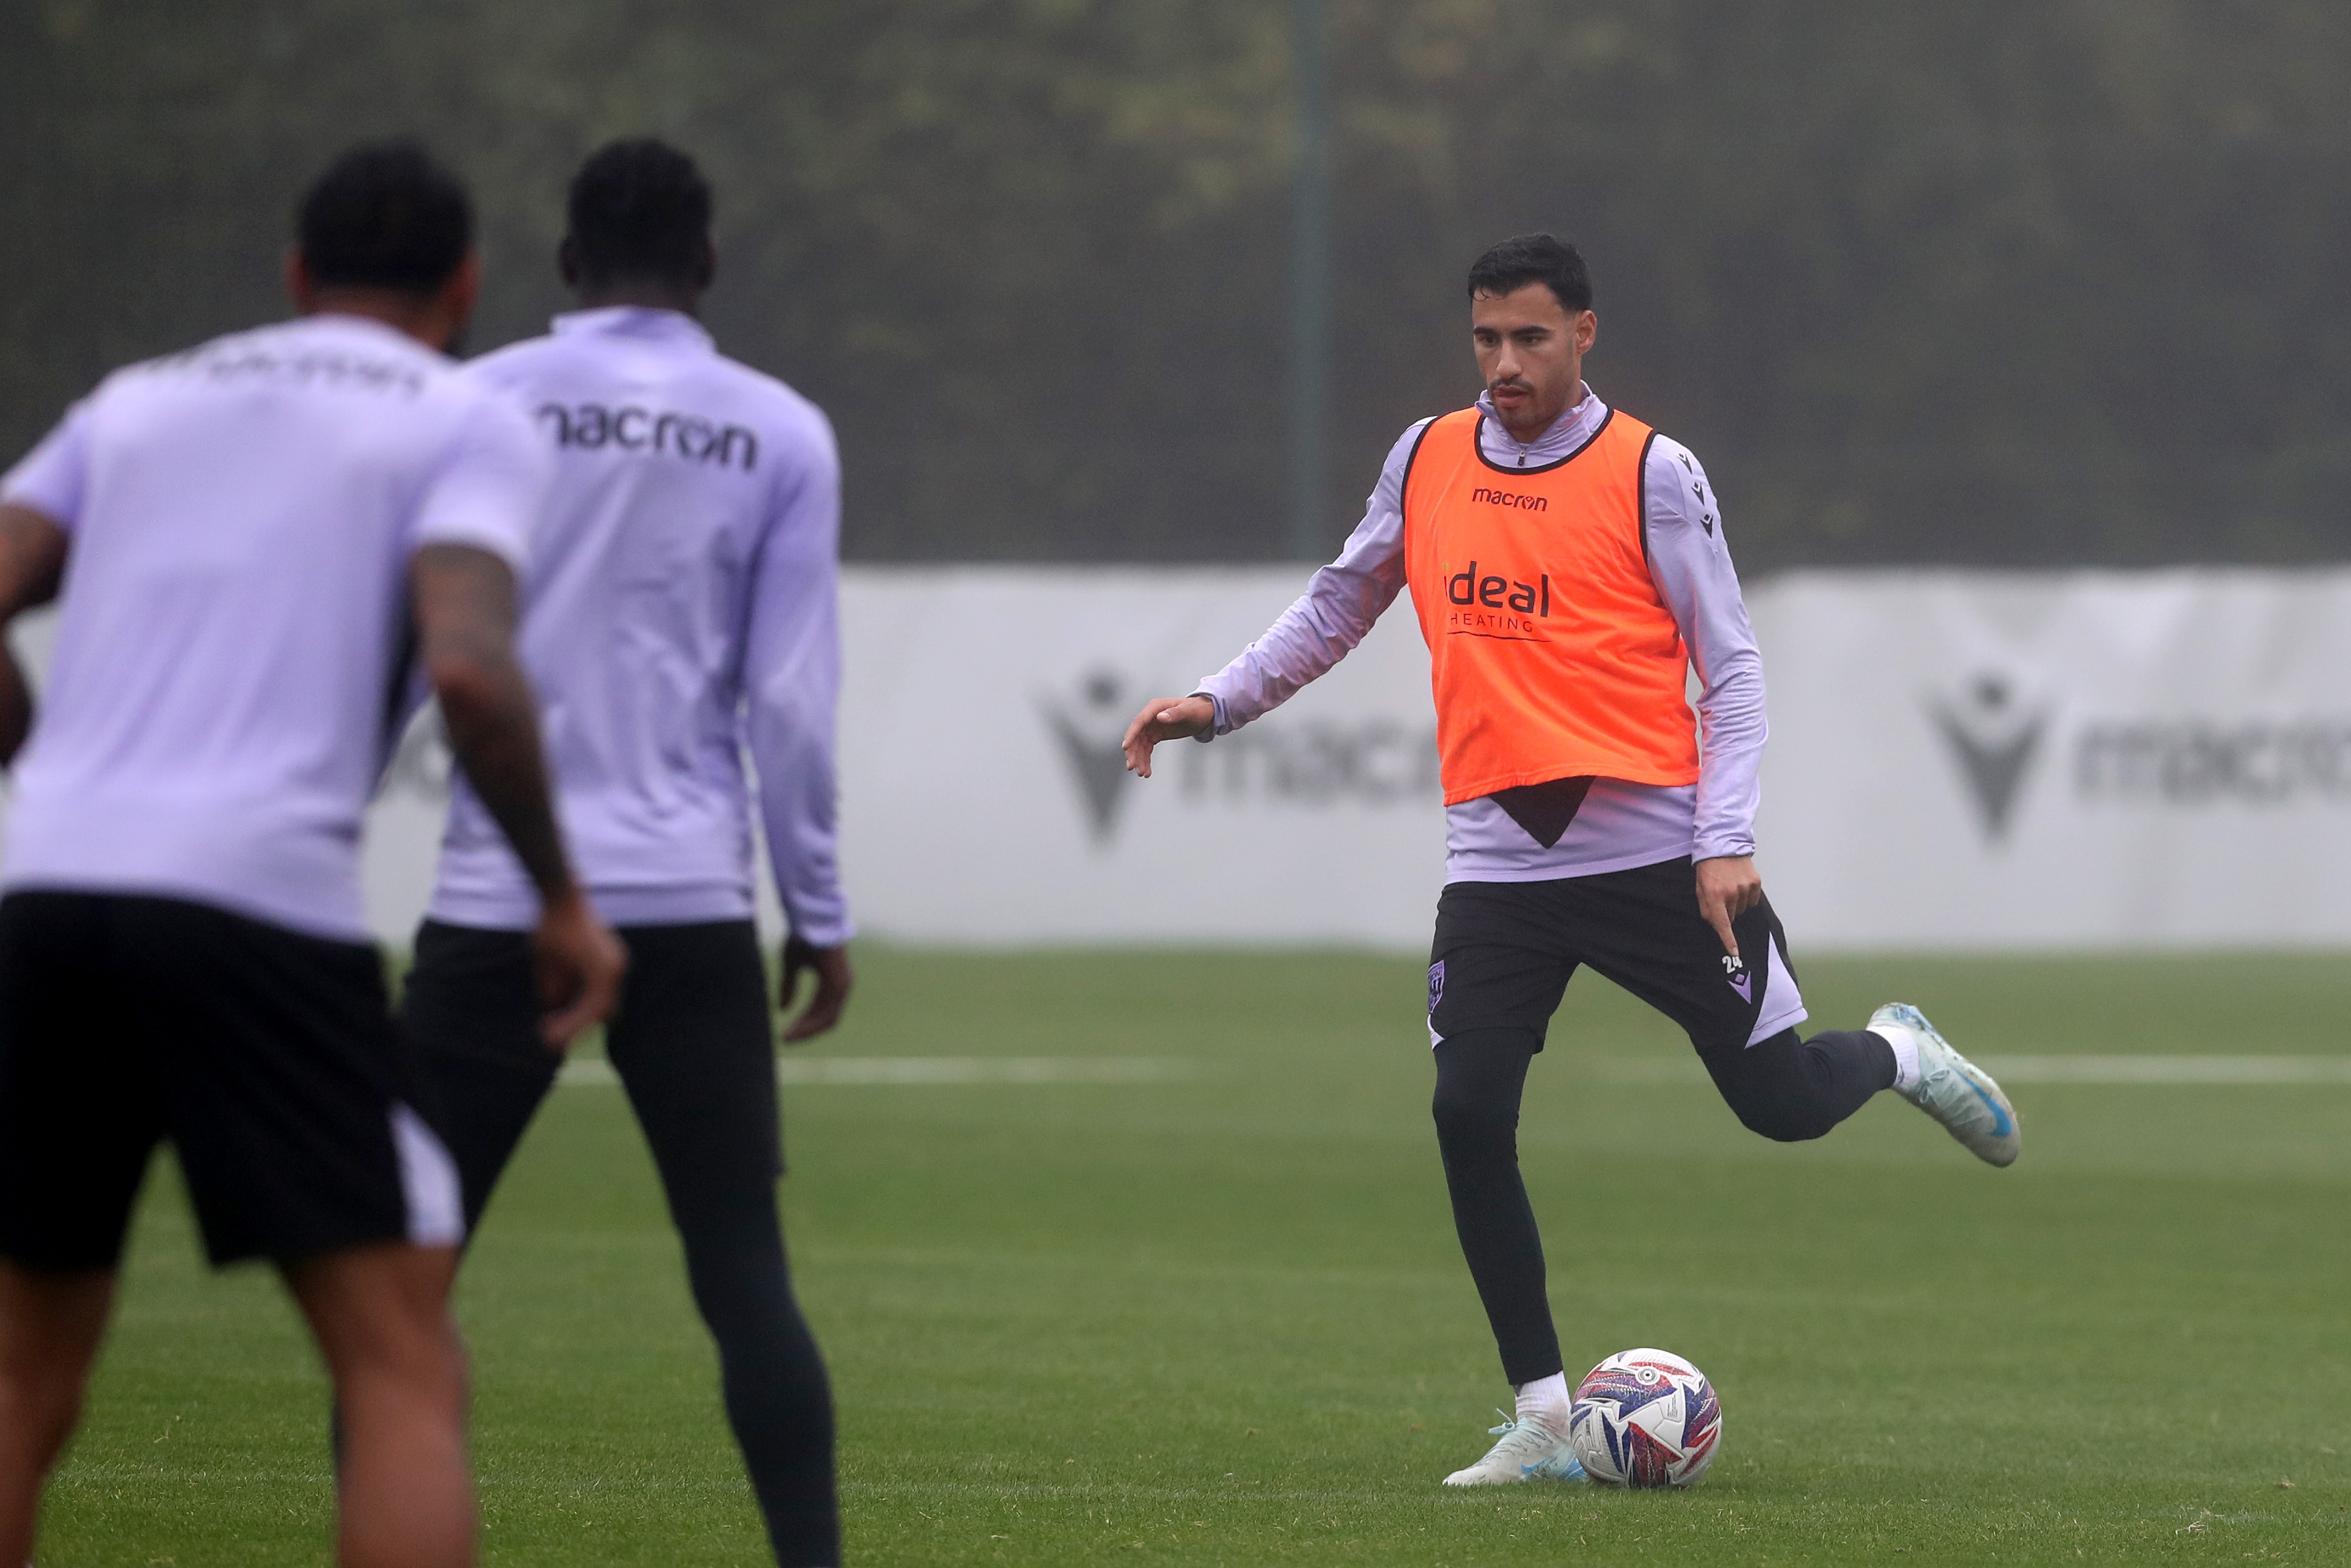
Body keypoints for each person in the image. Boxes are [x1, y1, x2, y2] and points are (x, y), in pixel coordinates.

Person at [1120, 234, 2019, 1488]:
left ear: (1585, 333)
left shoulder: (1654, 470)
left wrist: (1724, 843)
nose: (1504, 363)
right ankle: (1543, 1413)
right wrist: (1216, 701)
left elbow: (1738, 667)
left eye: (1530, 338)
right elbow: (1340, 601)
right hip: (1500, 865)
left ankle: (1899, 1053)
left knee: (1782, 1107)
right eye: (1486, 338)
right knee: (1468, 1112)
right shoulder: (1428, 455)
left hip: (1658, 854)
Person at [0, 142, 625, 1567]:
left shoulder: (134, 403)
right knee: (401, 1364)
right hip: (256, 905)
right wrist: (565, 897)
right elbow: (470, 671)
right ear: (464, 287)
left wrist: (31, 732)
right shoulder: (459, 417)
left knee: (24, 1376)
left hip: (50, 897)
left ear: (294, 275)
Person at [403, 138, 853, 1567]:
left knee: (397, 1292)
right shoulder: (779, 428)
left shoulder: (472, 400)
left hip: (497, 900)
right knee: (744, 1278)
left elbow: (404, 655)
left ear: (565, 265)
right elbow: (787, 698)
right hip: (688, 902)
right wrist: (818, 906)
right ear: (707, 265)